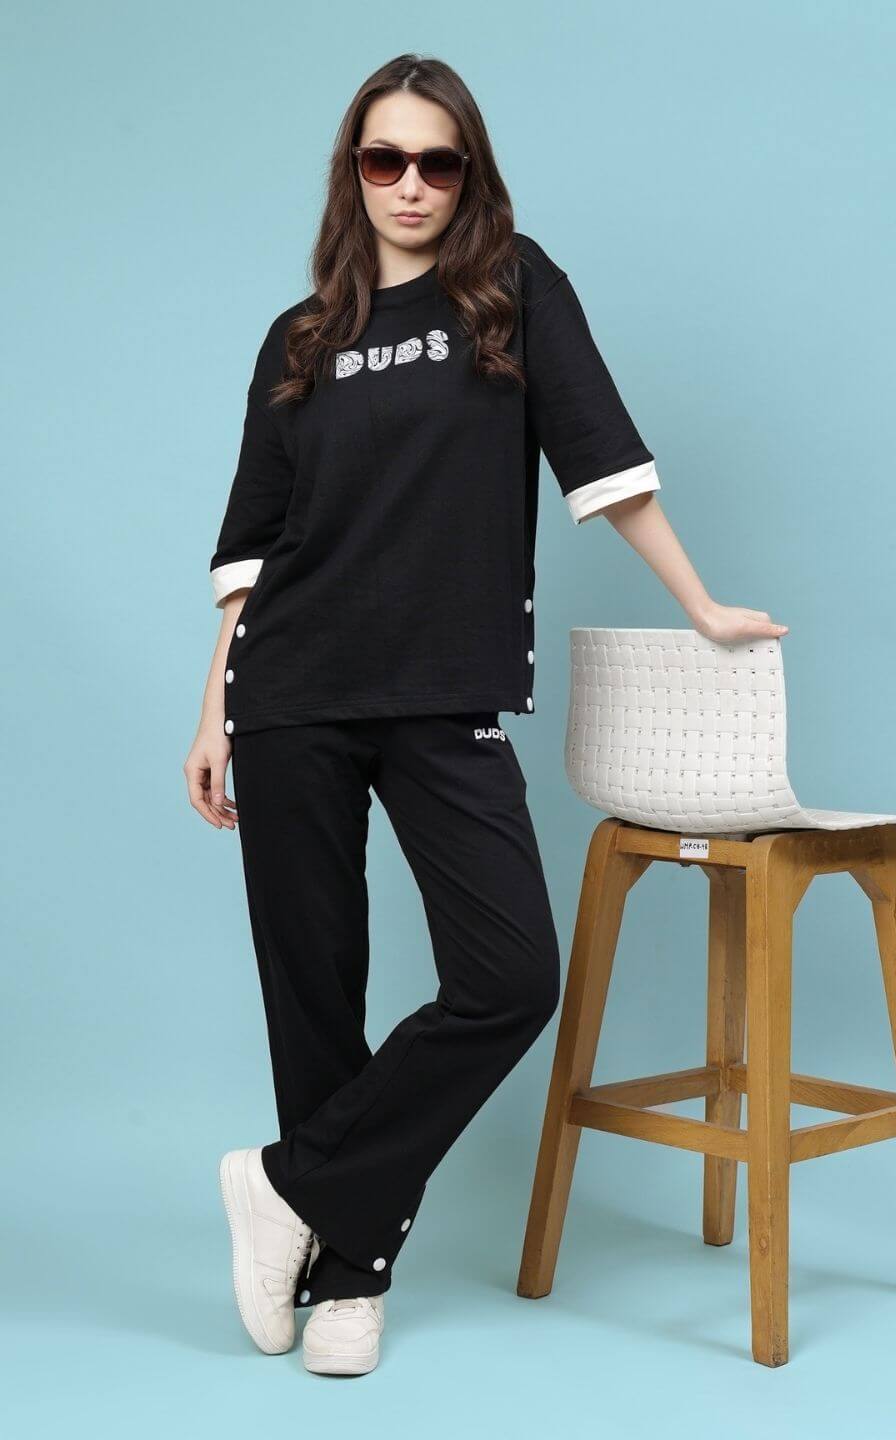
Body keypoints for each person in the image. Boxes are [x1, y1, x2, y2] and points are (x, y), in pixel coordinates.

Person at [184, 52, 788, 1378]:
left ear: (471, 174)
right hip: (287, 692)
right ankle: (349, 1279)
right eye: (384, 160)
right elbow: (254, 547)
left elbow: (603, 460)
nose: (410, 185)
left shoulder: (513, 292)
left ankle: (282, 1187)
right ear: (354, 174)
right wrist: (212, 714)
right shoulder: (299, 340)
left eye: (437, 162)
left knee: (511, 973)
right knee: (313, 993)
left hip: (442, 693)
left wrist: (697, 604)